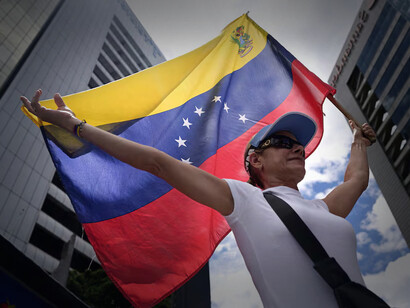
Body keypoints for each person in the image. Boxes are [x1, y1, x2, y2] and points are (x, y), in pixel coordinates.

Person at [21, 89, 376, 307]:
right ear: (255, 159)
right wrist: (74, 125)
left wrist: (357, 139)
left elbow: (357, 179)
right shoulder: (244, 200)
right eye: (282, 143)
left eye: (298, 144)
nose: (296, 147)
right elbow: (158, 163)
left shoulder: (323, 209)